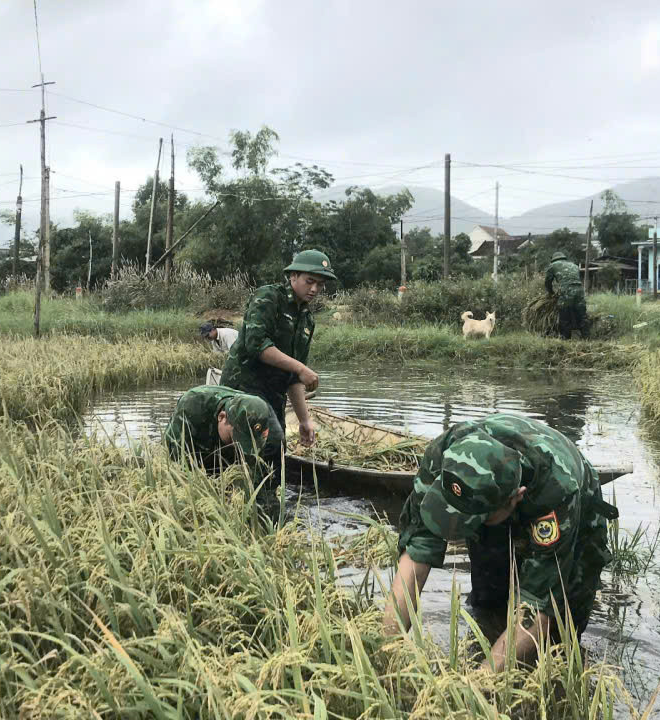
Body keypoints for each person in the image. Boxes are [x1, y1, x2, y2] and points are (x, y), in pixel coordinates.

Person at [382, 413, 617, 672]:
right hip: (492, 506)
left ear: (515, 499)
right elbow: (416, 554)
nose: (456, 533)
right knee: (488, 602)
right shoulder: (445, 455)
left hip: (574, 505)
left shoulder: (559, 489)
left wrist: (477, 686)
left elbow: (538, 608)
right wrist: (386, 653)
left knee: (561, 630)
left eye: (467, 523)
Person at [220, 249, 335, 449]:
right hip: (244, 388)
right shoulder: (269, 297)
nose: (315, 289)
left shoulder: (307, 320)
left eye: (320, 284)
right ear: (293, 276)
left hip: (274, 395)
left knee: (277, 449)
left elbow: (294, 378)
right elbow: (257, 345)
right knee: (268, 444)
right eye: (310, 281)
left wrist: (304, 420)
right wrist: (300, 368)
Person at [164, 385, 284, 476]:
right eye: (234, 438)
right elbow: (174, 462)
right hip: (195, 442)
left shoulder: (266, 425)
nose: (238, 446)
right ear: (222, 417)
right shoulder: (192, 406)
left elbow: (257, 473)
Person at [544, 252, 589, 340]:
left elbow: (548, 282)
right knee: (582, 315)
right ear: (564, 258)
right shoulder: (574, 265)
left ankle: (566, 339)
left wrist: (551, 293)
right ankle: (586, 338)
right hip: (580, 290)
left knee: (565, 316)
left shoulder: (553, 265)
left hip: (566, 291)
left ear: (553, 259)